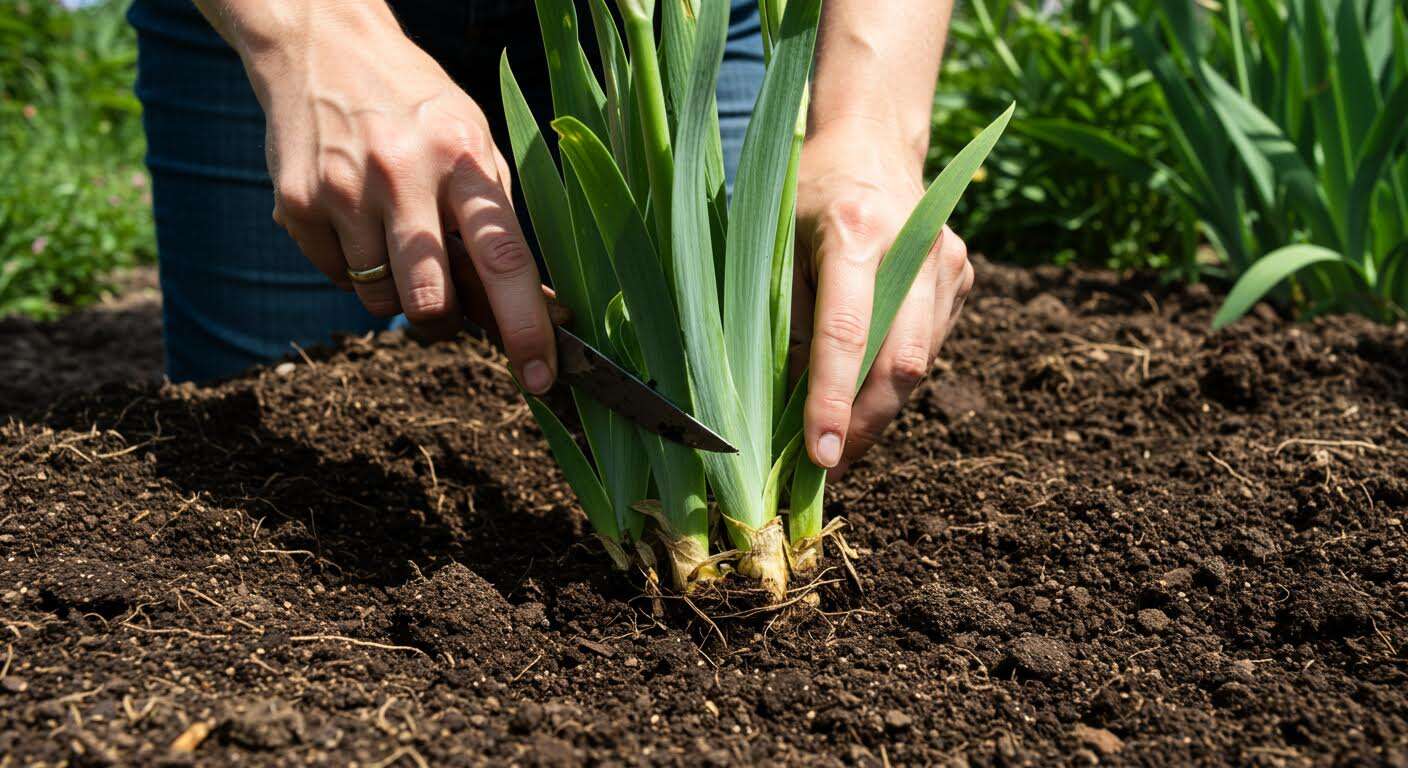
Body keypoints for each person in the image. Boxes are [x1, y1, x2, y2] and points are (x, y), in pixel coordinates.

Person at [129, 0, 971, 478]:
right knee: (262, 425)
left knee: (769, 334)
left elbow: (864, 143)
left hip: (665, 19)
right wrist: (310, 36)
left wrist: (871, 128)